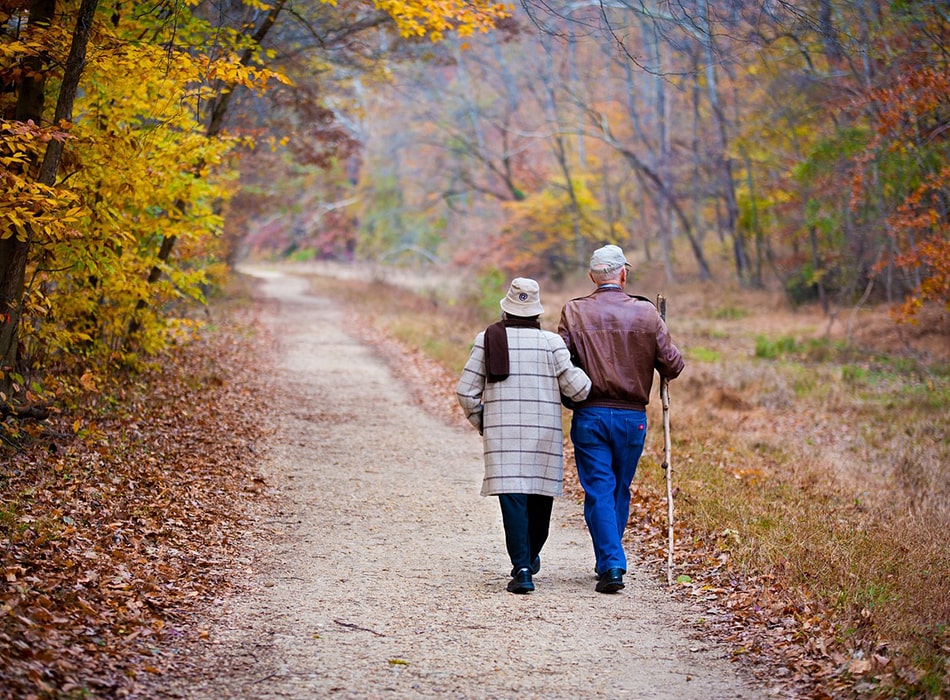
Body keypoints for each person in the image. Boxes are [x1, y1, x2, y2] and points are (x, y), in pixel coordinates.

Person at [558, 245, 685, 594]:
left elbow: (559, 361)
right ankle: (611, 561)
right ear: (623, 275)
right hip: (632, 418)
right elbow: (673, 365)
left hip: (590, 412)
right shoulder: (646, 313)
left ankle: (610, 562)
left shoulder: (574, 311)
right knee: (618, 488)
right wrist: (658, 332)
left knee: (599, 489)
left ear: (591, 277)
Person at [457, 278, 591, 594]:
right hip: (543, 434)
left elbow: (466, 391)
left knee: (513, 500)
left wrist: (484, 422)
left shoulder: (487, 340)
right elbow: (579, 390)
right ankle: (529, 559)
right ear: (537, 312)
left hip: (502, 437)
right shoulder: (552, 343)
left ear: (506, 309)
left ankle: (522, 568)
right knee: (539, 499)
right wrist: (583, 369)